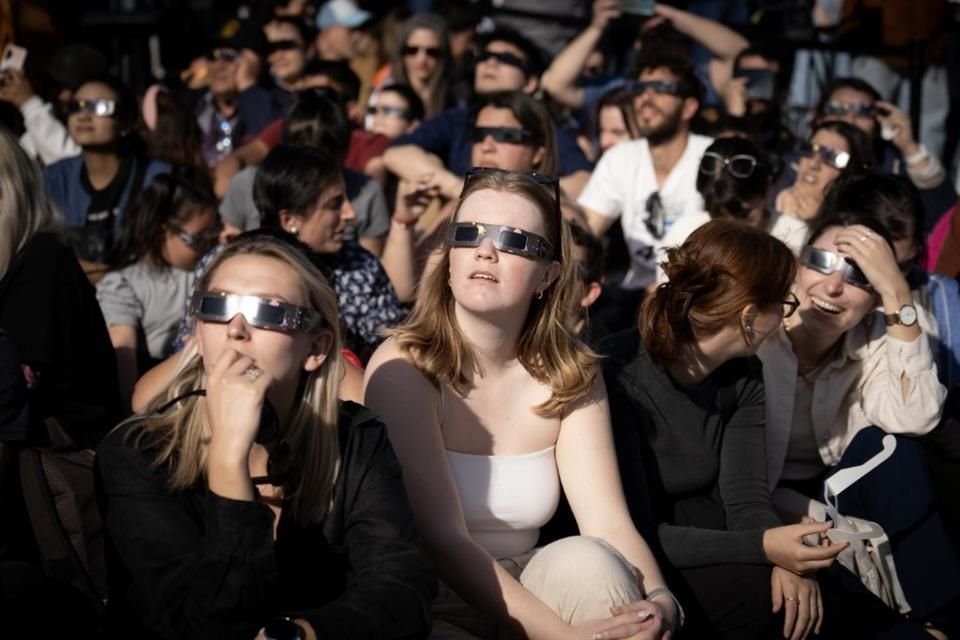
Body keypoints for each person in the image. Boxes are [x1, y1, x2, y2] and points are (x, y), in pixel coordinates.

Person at [364, 169, 681, 640]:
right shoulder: (405, 367)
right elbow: (442, 540)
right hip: (428, 597)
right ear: (448, 256)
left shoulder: (569, 372)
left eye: (513, 240)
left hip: (530, 580)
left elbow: (608, 522)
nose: (485, 250)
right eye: (468, 233)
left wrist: (662, 600)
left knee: (589, 562)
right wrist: (566, 637)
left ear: (548, 276)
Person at [95, 234, 436, 639]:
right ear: (199, 334)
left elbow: (402, 588)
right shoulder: (138, 453)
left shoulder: (355, 439)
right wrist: (227, 460)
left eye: (268, 311)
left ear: (316, 347)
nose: (236, 329)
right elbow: (202, 627)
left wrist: (304, 634)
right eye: (217, 306)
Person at [606, 220, 843, 639]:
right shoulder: (617, 375)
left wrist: (783, 557)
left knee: (821, 594)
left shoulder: (745, 376)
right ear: (750, 316)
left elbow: (746, 496)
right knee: (772, 609)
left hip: (706, 530)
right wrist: (764, 548)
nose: (787, 317)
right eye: (784, 305)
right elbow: (631, 528)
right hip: (635, 553)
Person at [757, 210, 960, 635]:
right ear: (797, 266)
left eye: (859, 277)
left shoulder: (875, 334)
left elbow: (918, 415)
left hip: (837, 484)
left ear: (873, 303)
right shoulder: (759, 329)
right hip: (756, 494)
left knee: (891, 445)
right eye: (822, 262)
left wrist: (898, 292)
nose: (833, 286)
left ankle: (942, 620)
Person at [383, 25, 592, 200]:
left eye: (506, 59)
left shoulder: (542, 124)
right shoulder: (458, 118)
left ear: (530, 82)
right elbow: (397, 153)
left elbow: (583, 182)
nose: (490, 63)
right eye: (484, 56)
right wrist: (463, 191)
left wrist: (511, 197)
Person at [578, 51, 712, 307]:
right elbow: (585, 231)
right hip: (634, 297)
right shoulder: (621, 157)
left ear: (689, 107)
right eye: (640, 89)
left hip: (698, 296)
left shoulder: (712, 156)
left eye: (662, 88)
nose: (646, 97)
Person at [96, 171, 220, 412]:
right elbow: (124, 360)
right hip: (160, 402)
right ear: (163, 229)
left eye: (210, 237)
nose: (206, 247)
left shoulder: (205, 272)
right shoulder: (123, 284)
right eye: (197, 239)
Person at [42, 77, 170, 277]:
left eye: (100, 107)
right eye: (76, 106)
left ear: (126, 121)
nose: (84, 115)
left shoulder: (157, 177)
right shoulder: (54, 177)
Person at [656, 136, 808, 281]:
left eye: (743, 216)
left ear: (767, 188)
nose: (732, 227)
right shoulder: (683, 234)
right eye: (718, 215)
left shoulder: (795, 236)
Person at [772, 121, 871, 225]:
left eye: (832, 157)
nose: (814, 164)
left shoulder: (849, 227)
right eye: (810, 149)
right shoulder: (764, 201)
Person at [377, 12, 453, 118]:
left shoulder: (457, 96)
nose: (421, 59)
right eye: (412, 50)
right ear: (402, 52)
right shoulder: (385, 89)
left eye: (432, 52)